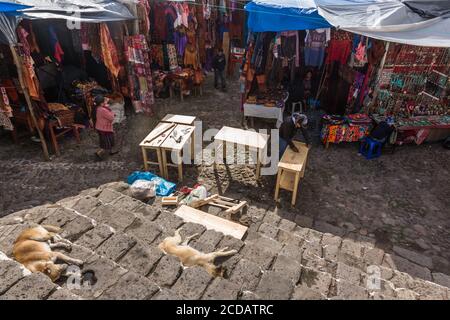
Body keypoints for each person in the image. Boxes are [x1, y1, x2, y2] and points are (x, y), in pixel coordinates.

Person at [92, 95, 117, 160]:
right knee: (106, 143)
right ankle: (98, 153)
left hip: (100, 127)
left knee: (108, 140)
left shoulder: (97, 108)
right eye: (104, 101)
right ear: (101, 103)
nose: (106, 101)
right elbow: (111, 117)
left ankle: (111, 151)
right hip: (104, 129)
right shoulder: (103, 110)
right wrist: (111, 112)